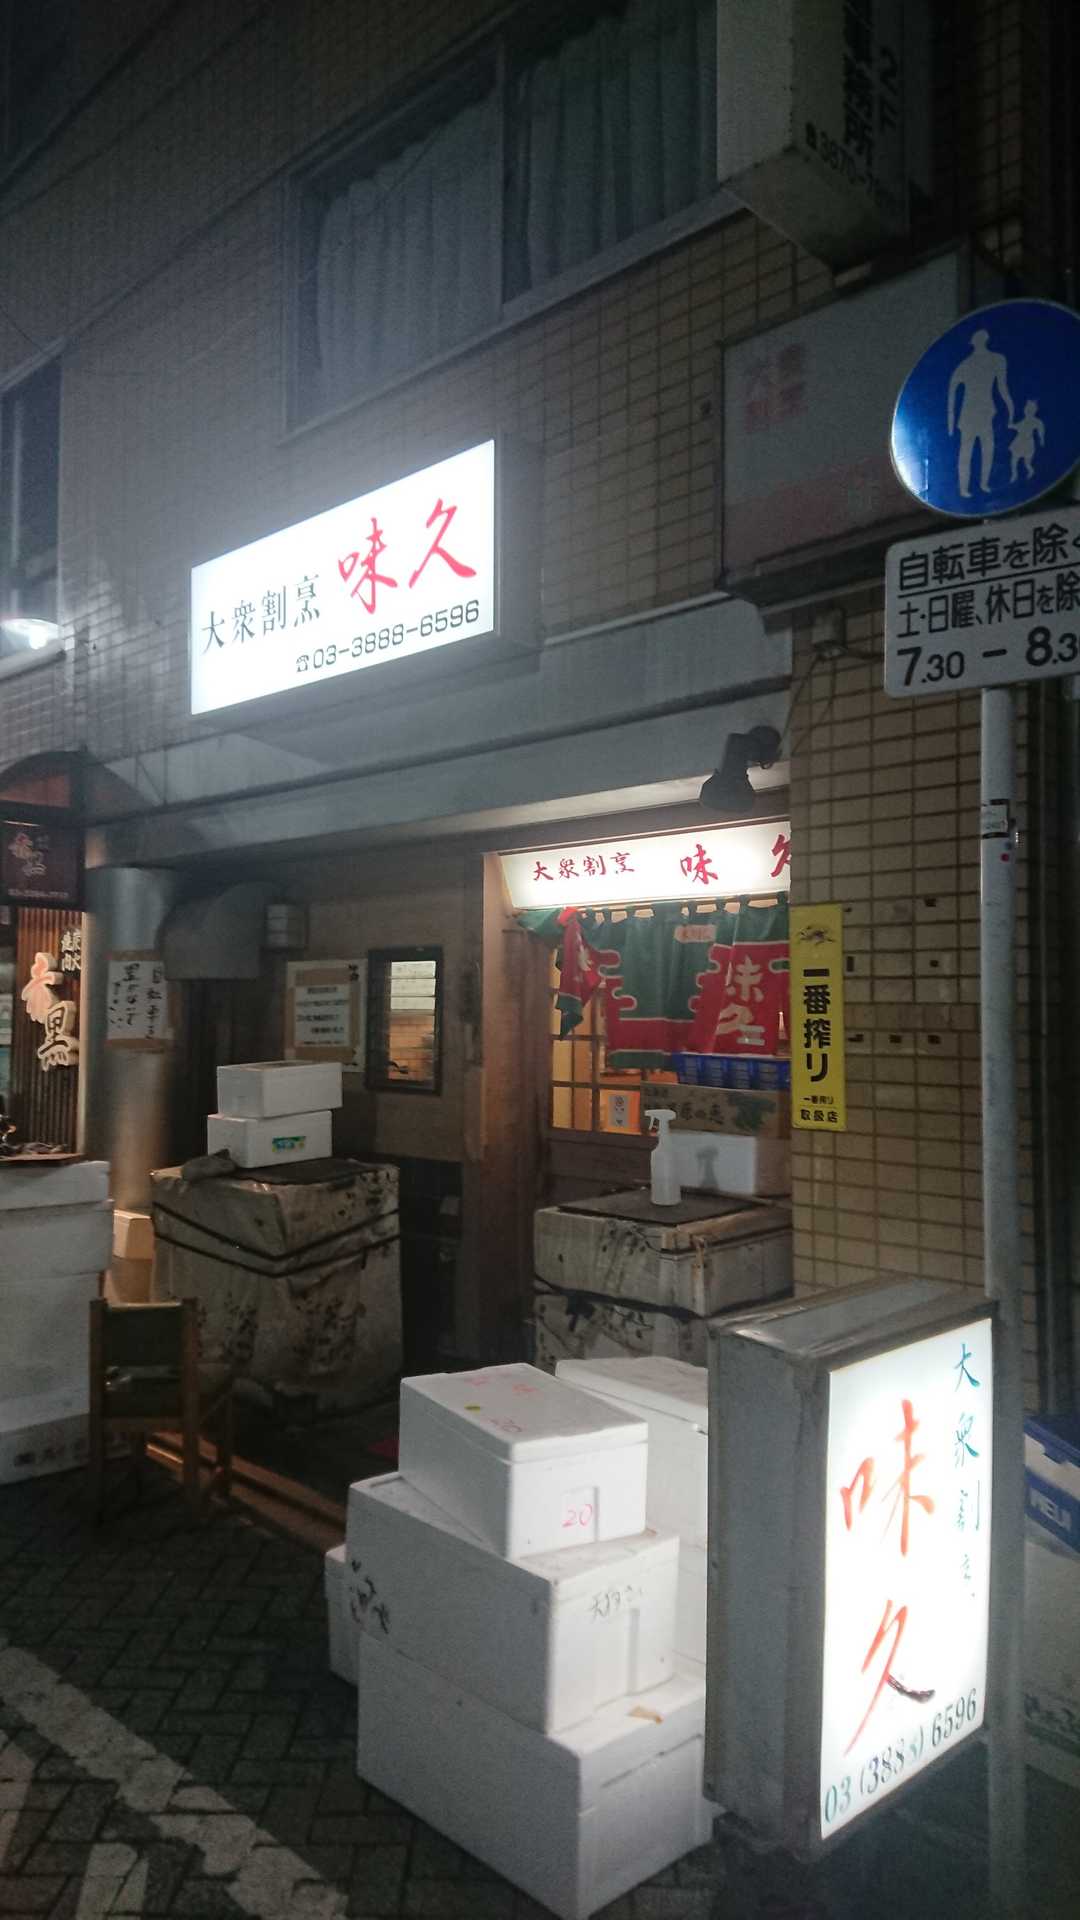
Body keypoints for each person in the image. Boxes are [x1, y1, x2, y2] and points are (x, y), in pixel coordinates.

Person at [946, 328, 1015, 497]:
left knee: (983, 448)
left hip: (983, 411)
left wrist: (1011, 409)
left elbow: (1002, 388)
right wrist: (950, 422)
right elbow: (952, 393)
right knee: (973, 450)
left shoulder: (993, 360)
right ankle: (966, 488)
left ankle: (981, 485)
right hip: (972, 413)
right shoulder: (969, 364)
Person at [1008, 398, 1045, 482]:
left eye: (1030, 410)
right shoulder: (1024, 420)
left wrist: (1041, 439)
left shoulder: (1036, 421)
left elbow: (1041, 429)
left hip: (1028, 443)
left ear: (1033, 411)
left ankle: (1030, 471)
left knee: (1027, 463)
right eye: (1027, 409)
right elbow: (1017, 427)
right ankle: (1014, 475)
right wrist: (1011, 426)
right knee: (1014, 460)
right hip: (1019, 442)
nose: (1027, 411)